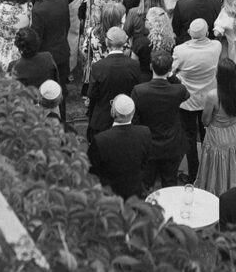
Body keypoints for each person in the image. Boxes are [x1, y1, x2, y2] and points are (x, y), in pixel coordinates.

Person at [173, 18, 222, 183]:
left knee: (189, 138)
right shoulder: (216, 46)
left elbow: (171, 71)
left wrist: (180, 76)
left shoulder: (180, 50)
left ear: (189, 33)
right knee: (207, 135)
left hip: (187, 101)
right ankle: (207, 172)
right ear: (207, 32)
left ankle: (193, 174)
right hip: (208, 100)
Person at [132, 50, 190, 190]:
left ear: (151, 67)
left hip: (148, 144)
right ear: (170, 69)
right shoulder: (178, 90)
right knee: (170, 185)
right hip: (171, 144)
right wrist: (171, 76)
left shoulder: (139, 90)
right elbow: (186, 94)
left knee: (145, 185)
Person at [88, 94, 152, 200]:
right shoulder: (145, 133)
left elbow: (92, 170)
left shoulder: (100, 140)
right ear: (133, 113)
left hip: (109, 197)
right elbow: (145, 162)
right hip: (135, 193)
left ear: (113, 112)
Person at [197, 58, 236, 196]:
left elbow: (205, 120)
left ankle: (214, 192)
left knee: (215, 164)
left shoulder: (213, 96)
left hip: (217, 135)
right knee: (232, 161)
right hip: (234, 131)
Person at [86, 26, 142, 140]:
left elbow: (92, 94)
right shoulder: (134, 65)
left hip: (103, 120)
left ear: (107, 42)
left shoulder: (98, 67)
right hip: (127, 117)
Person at [31, 0, 72, 111]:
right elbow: (67, 24)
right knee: (61, 93)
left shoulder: (38, 9)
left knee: (48, 94)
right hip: (62, 51)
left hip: (48, 56)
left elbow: (37, 37)